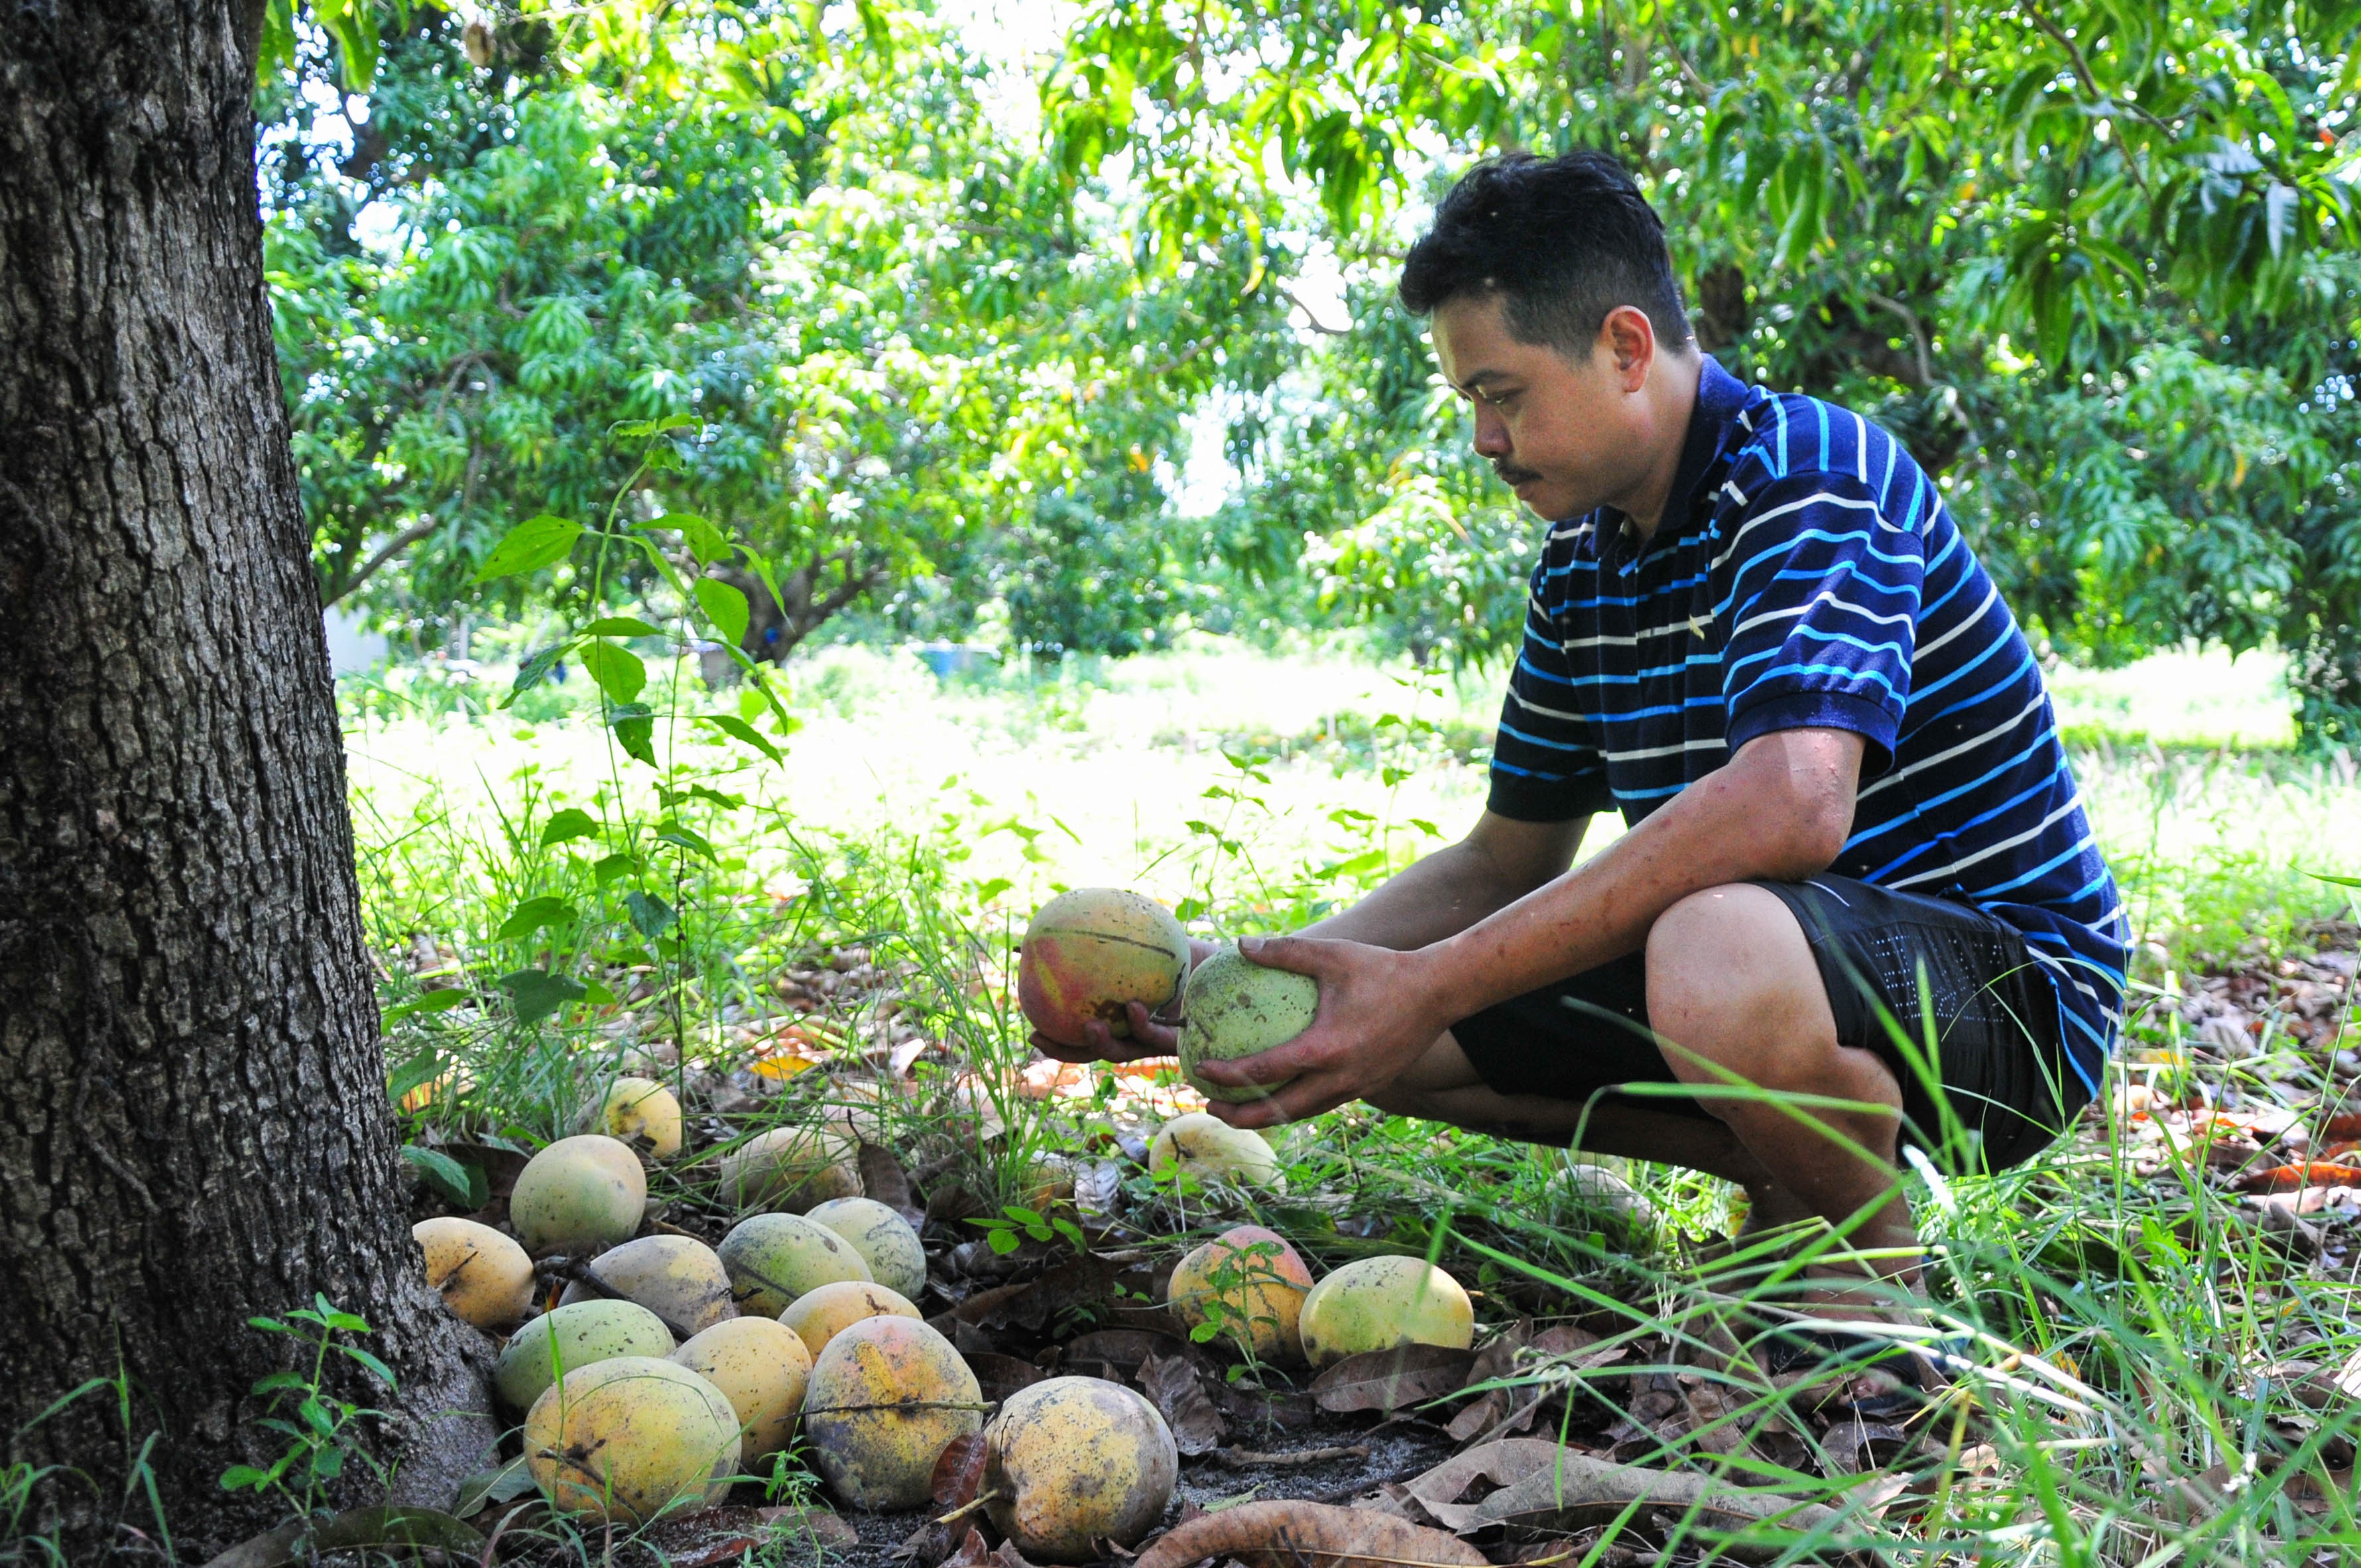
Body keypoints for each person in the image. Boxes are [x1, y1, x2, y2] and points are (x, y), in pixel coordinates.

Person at [1030, 150, 2128, 1323]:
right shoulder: (1584, 564)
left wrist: (1432, 980)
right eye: (1470, 404)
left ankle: (1872, 1287)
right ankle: (1788, 1178)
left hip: (2010, 998)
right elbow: (1503, 862)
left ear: (1622, 347)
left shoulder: (1810, 473)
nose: (1483, 442)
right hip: (1776, 972)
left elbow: (1792, 804)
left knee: (1704, 946)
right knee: (1372, 1032)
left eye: (1501, 394)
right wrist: (1235, 978)